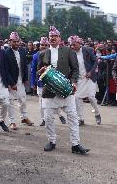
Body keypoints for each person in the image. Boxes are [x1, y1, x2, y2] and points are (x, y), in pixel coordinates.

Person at [37, 26, 89, 154]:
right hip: (49, 90)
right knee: (48, 118)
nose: (53, 38)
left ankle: (75, 144)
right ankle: (52, 141)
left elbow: (75, 69)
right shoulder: (43, 53)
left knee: (72, 117)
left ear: (60, 38)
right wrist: (41, 72)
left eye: (55, 36)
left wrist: (73, 83)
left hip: (66, 90)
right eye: (51, 37)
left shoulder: (68, 51)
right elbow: (39, 72)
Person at [30, 37, 66, 126]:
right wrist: (32, 83)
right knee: (42, 102)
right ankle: (44, 119)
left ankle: (60, 114)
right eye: (42, 45)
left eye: (46, 45)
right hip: (40, 82)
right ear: (39, 46)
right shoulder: (36, 56)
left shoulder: (53, 54)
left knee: (53, 100)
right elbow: (33, 70)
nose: (44, 46)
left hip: (52, 82)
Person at [69, 35, 101, 126]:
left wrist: (91, 72)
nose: (72, 47)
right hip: (79, 79)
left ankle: (97, 113)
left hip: (90, 78)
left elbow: (95, 61)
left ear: (79, 43)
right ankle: (80, 118)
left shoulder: (88, 50)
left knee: (91, 97)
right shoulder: (71, 53)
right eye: (71, 45)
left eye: (74, 45)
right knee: (77, 98)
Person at [5, 32, 33, 130]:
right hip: (12, 82)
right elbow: (6, 70)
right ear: (10, 42)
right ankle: (12, 122)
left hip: (21, 80)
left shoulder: (22, 51)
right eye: (14, 42)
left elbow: (24, 65)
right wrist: (11, 83)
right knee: (11, 102)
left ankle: (24, 117)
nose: (16, 43)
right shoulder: (6, 52)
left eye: (18, 41)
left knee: (23, 100)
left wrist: (25, 79)